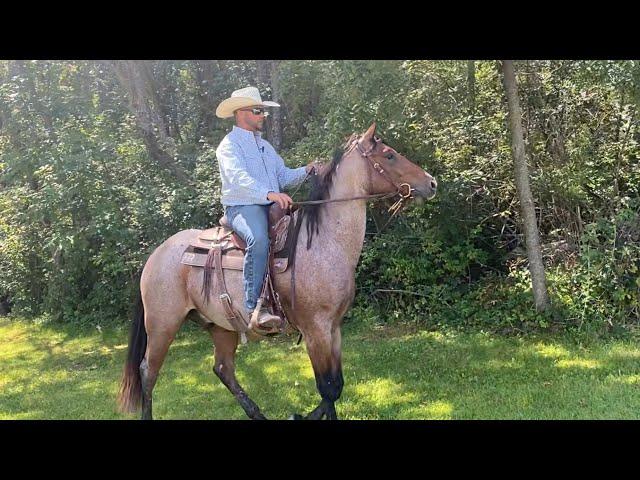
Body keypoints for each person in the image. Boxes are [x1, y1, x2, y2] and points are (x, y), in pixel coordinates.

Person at [215, 86, 316, 333]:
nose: (263, 116)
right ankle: (253, 308)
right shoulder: (228, 146)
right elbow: (238, 179)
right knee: (258, 240)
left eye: (263, 111)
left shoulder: (265, 147)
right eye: (258, 111)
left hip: (269, 205)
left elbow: (283, 175)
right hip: (242, 206)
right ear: (241, 113)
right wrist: (269, 194)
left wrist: (308, 170)